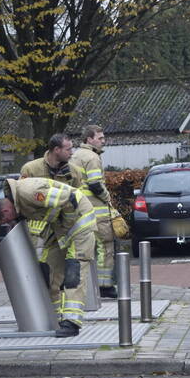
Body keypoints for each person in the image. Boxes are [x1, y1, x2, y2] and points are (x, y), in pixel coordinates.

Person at [0, 177, 97, 337]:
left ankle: (72, 322)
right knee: (49, 270)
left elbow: (67, 199)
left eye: (5, 220)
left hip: (79, 225)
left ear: (5, 212)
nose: (8, 222)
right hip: (61, 229)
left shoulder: (29, 192)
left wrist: (65, 226)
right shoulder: (19, 203)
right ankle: (55, 317)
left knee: (74, 272)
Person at [70, 125, 117, 298]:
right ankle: (105, 286)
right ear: (89, 139)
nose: (103, 141)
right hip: (97, 212)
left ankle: (86, 286)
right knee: (105, 247)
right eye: (100, 138)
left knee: (83, 248)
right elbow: (96, 184)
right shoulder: (92, 157)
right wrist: (107, 197)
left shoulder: (74, 155)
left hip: (79, 211)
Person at [20, 134, 86, 187]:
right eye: (68, 149)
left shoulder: (74, 171)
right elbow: (21, 194)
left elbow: (80, 197)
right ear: (57, 150)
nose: (72, 153)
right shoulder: (30, 169)